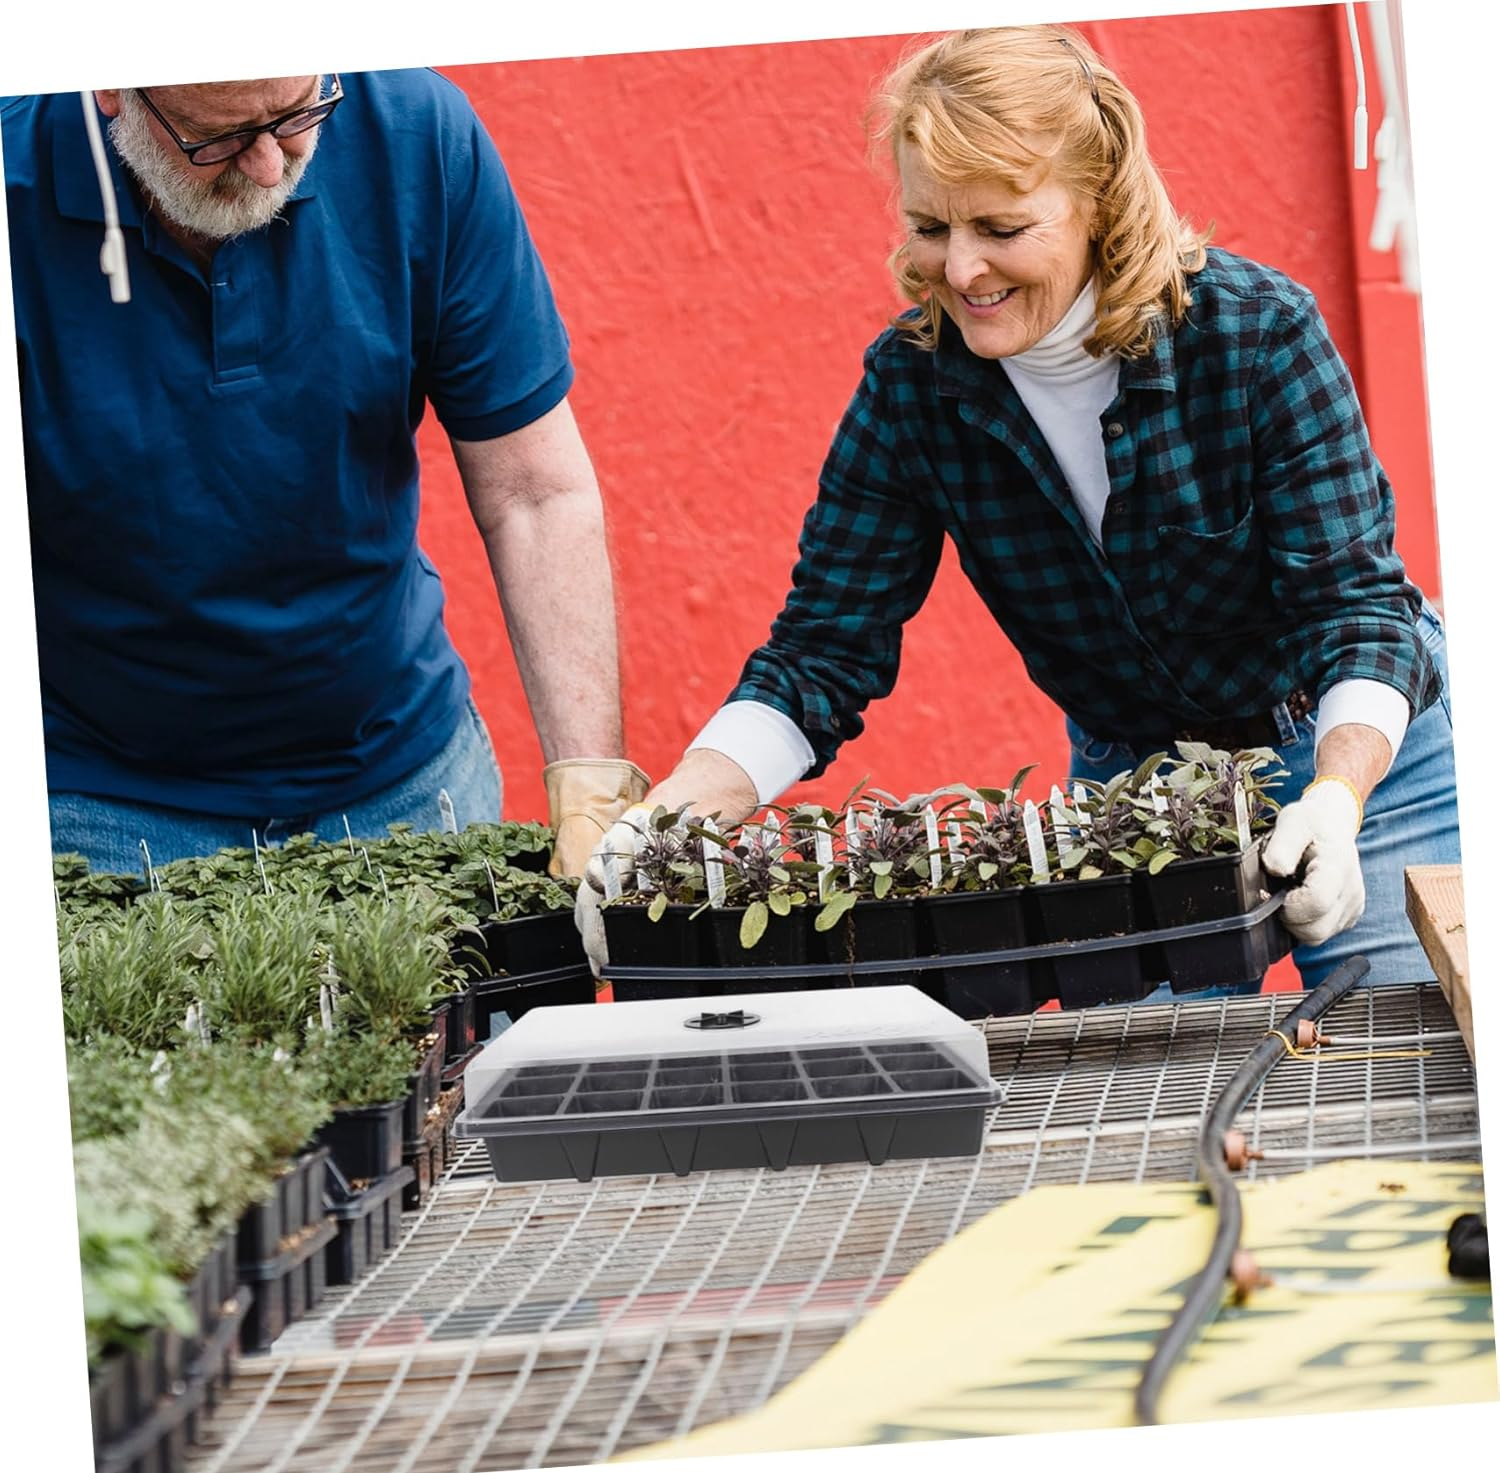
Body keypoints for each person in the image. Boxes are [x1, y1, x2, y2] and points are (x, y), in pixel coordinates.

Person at [575, 25, 1460, 994]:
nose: (960, 271)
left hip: (1357, 754)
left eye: (1000, 229)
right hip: (1143, 795)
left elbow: (1358, 612)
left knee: (1404, 1035)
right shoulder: (913, 389)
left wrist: (1336, 797)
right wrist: (669, 817)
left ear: (1100, 207)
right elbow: (822, 653)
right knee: (1159, 1066)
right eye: (931, 227)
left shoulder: (1255, 337)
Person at [4, 71, 646, 879]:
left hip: (406, 776)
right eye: (221, 138)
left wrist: (592, 788)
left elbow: (534, 493)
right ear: (112, 89)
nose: (270, 165)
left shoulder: (414, 128)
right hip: (100, 799)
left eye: (297, 115)